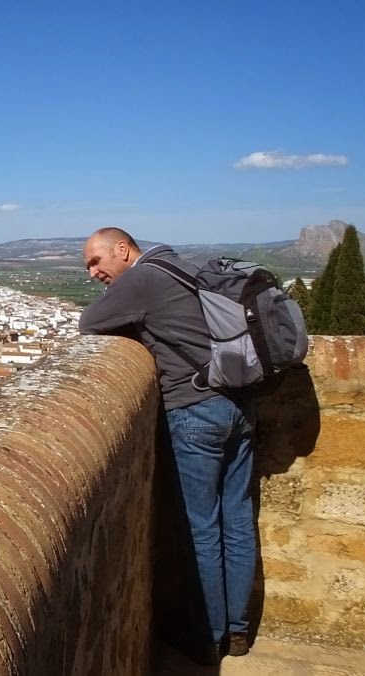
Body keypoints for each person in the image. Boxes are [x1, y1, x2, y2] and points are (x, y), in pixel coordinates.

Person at [77, 227, 255, 663]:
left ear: (123, 249)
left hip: (195, 410)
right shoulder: (185, 264)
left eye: (97, 261)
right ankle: (238, 630)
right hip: (241, 407)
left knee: (202, 529)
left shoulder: (142, 278)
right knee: (238, 521)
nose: (94, 273)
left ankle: (207, 636)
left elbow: (89, 323)